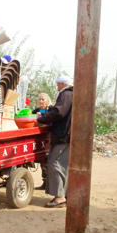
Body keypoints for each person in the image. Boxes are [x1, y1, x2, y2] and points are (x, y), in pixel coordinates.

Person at [36, 76, 73, 208]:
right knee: (62, 165)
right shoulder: (72, 94)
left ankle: (60, 197)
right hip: (68, 135)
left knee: (54, 163)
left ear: (63, 84)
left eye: (58, 84)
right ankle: (64, 194)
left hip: (63, 135)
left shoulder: (66, 94)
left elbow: (58, 112)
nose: (57, 86)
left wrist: (42, 118)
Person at [32, 93, 53, 190]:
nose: (40, 101)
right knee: (42, 161)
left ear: (47, 101)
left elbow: (52, 117)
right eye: (39, 99)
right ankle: (44, 182)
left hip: (48, 137)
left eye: (43, 100)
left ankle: (50, 184)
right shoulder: (36, 110)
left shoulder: (50, 109)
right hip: (39, 138)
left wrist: (43, 115)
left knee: (48, 161)